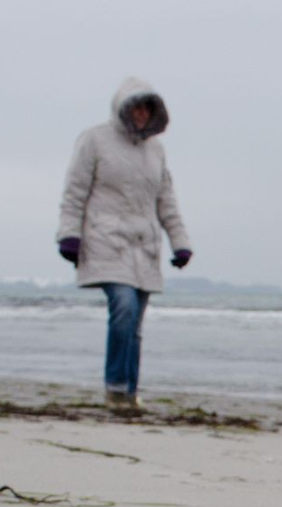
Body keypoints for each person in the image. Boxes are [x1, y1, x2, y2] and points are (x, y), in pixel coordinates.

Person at [56, 77, 192, 410]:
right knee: (123, 308)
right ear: (123, 107)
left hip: (144, 246)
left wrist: (180, 243)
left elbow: (166, 200)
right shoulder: (94, 140)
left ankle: (130, 391)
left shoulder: (156, 151)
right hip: (105, 240)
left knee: (135, 323)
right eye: (136, 106)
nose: (142, 113)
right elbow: (75, 191)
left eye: (147, 107)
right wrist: (69, 235)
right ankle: (115, 386)